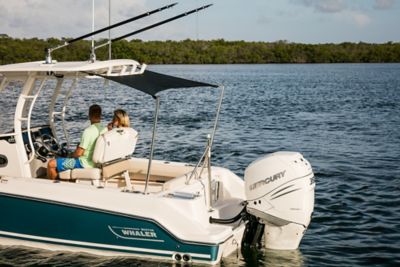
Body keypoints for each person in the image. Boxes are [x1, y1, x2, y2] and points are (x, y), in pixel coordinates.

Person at [47, 104, 107, 180]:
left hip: (83, 163)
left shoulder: (88, 131)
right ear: (100, 115)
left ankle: (55, 188)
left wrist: (70, 155)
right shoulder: (104, 129)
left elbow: (79, 153)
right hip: (96, 163)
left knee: (51, 164)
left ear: (89, 115)